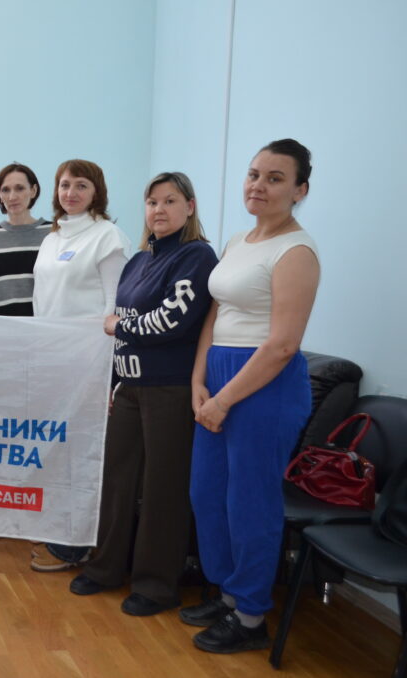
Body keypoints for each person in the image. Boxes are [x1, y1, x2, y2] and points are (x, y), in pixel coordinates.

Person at [180, 139, 319, 654]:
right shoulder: (239, 240)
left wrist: (224, 400)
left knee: (250, 502)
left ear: (300, 191)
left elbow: (282, 345)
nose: (259, 185)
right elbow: (215, 316)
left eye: (275, 178)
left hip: (264, 384)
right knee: (208, 493)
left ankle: (251, 614)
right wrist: (199, 381)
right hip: (218, 373)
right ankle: (227, 593)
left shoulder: (296, 252)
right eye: (254, 173)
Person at [68, 172, 217, 616]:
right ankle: (106, 568)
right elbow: (123, 329)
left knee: (162, 489)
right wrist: (114, 380)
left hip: (170, 389)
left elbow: (172, 320)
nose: (159, 210)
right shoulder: (138, 261)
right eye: (152, 202)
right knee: (116, 481)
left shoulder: (197, 256)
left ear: (189, 207)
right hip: (129, 387)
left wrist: (120, 326)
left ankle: (156, 585)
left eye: (170, 201)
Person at [30, 159, 129, 571]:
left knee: (83, 453)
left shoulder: (107, 237)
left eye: (81, 185)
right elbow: (42, 301)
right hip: (52, 361)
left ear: (96, 192)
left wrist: (106, 371)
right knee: (58, 448)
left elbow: (114, 306)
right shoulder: (52, 237)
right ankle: (61, 530)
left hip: (89, 363)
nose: (71, 192)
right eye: (65, 184)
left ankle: (77, 545)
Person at [0, 162, 52, 316]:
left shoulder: (53, 233)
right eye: (5, 190)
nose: (12, 197)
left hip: (43, 326)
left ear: (33, 191)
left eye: (20, 188)